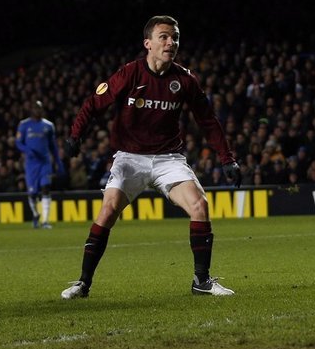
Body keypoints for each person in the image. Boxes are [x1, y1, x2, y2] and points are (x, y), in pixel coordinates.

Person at [60, 15, 240, 299]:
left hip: (168, 158)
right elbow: (94, 104)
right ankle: (83, 283)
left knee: (200, 205)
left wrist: (227, 159)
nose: (171, 42)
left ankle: (201, 281)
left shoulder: (185, 79)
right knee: (108, 211)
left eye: (175, 37)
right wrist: (75, 135)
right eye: (164, 37)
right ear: (148, 43)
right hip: (130, 158)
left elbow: (208, 121)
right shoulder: (129, 74)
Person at [15, 100, 62, 229]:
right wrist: (27, 150)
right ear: (31, 110)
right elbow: (18, 143)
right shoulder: (24, 125)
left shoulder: (48, 125)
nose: (38, 111)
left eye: (40, 108)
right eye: (35, 108)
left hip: (45, 162)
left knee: (46, 188)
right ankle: (36, 214)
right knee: (32, 194)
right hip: (31, 164)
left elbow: (53, 147)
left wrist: (58, 162)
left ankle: (45, 221)